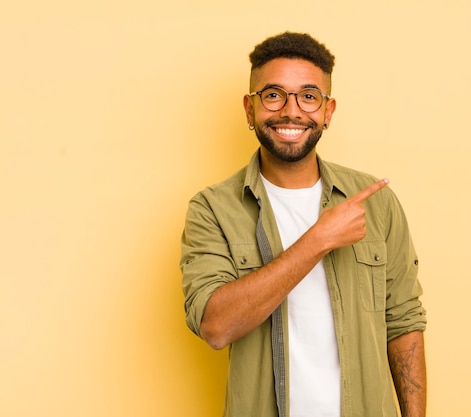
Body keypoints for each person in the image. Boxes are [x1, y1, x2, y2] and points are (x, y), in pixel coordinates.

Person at [181, 32, 427, 417]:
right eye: (274, 94)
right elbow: (215, 326)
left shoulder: (375, 202)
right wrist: (318, 239)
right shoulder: (212, 209)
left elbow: (404, 323)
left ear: (328, 112)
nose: (291, 111)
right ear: (250, 109)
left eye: (309, 96)